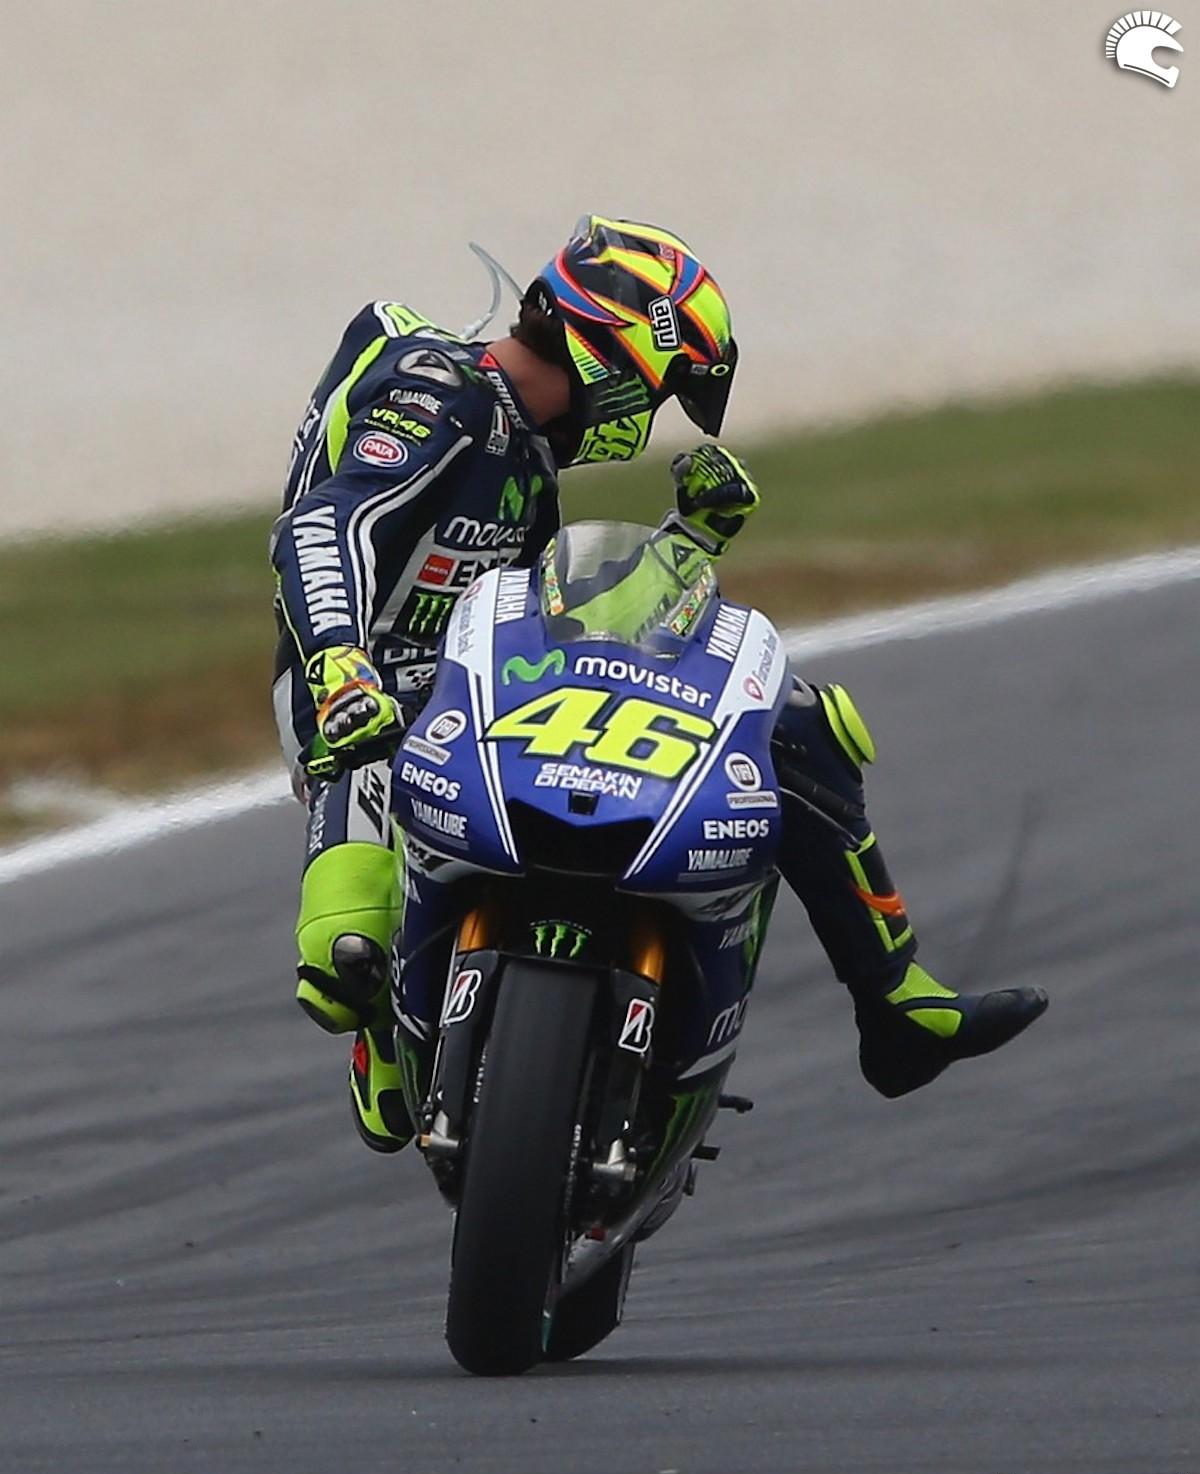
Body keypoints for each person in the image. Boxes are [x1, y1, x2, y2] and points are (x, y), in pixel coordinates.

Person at [270, 215, 1047, 1151]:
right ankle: (388, 1032)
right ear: (617, 353)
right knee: (345, 960)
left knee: (796, 725)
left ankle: (897, 1004)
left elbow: (568, 623)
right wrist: (339, 660)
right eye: (663, 386)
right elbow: (322, 529)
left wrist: (691, 539)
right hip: (359, 696)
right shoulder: (437, 392)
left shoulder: (527, 461)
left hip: (477, 681)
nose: (649, 413)